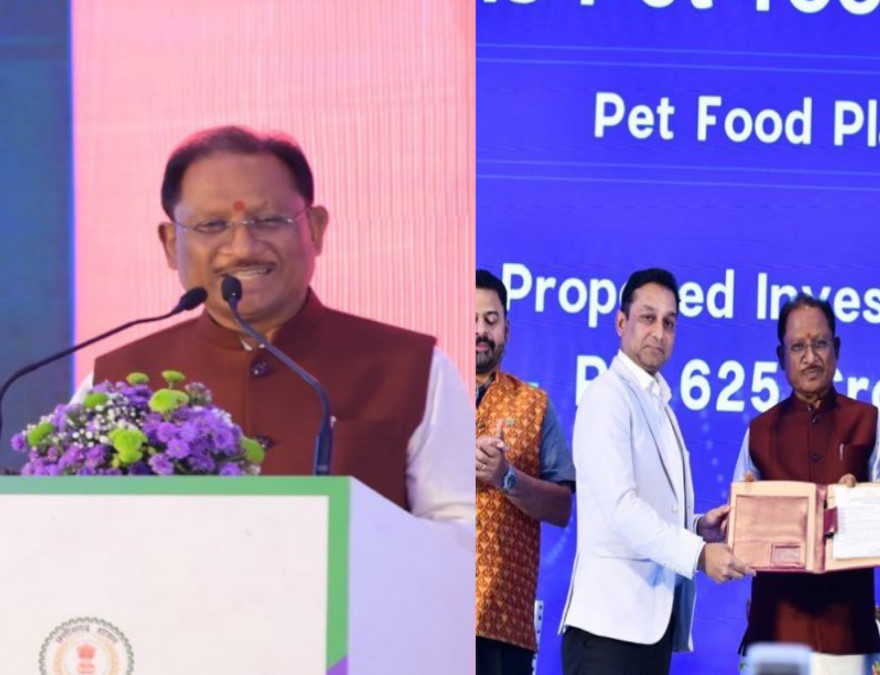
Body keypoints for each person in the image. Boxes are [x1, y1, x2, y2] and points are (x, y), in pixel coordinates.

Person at [85, 125, 473, 524]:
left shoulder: (412, 369)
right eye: (212, 225)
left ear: (315, 229)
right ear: (170, 244)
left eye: (269, 220)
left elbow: (459, 531)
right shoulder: (115, 385)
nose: (242, 248)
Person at [559, 267, 751, 675]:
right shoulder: (606, 397)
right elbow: (622, 510)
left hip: (650, 629)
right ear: (621, 322)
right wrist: (699, 554)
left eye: (669, 322)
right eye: (648, 318)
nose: (659, 332)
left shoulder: (659, 402)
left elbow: (654, 506)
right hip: (608, 630)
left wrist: (698, 527)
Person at [733, 294, 880, 675]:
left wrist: (859, 507)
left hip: (851, 639)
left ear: (836, 349)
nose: (810, 357)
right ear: (781, 357)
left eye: (820, 343)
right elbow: (739, 537)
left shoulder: (869, 422)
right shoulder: (758, 432)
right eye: (798, 347)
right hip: (774, 642)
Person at [475, 269, 575, 675]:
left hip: (505, 622)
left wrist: (506, 477)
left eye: (491, 320)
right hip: (429, 611)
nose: (480, 331)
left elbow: (562, 508)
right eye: (470, 318)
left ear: (507, 329)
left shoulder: (534, 405)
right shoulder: (428, 395)